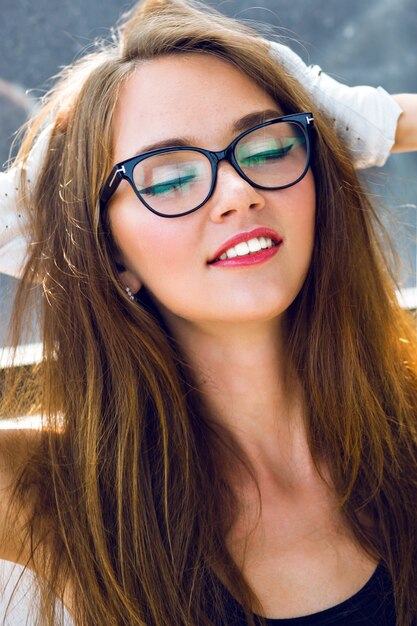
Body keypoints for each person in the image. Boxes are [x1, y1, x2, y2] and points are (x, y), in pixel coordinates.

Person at [0, 0, 417, 624]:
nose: (240, 192)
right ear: (108, 252)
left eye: (268, 148)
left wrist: (379, 120)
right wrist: (26, 201)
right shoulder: (42, 486)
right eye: (168, 181)